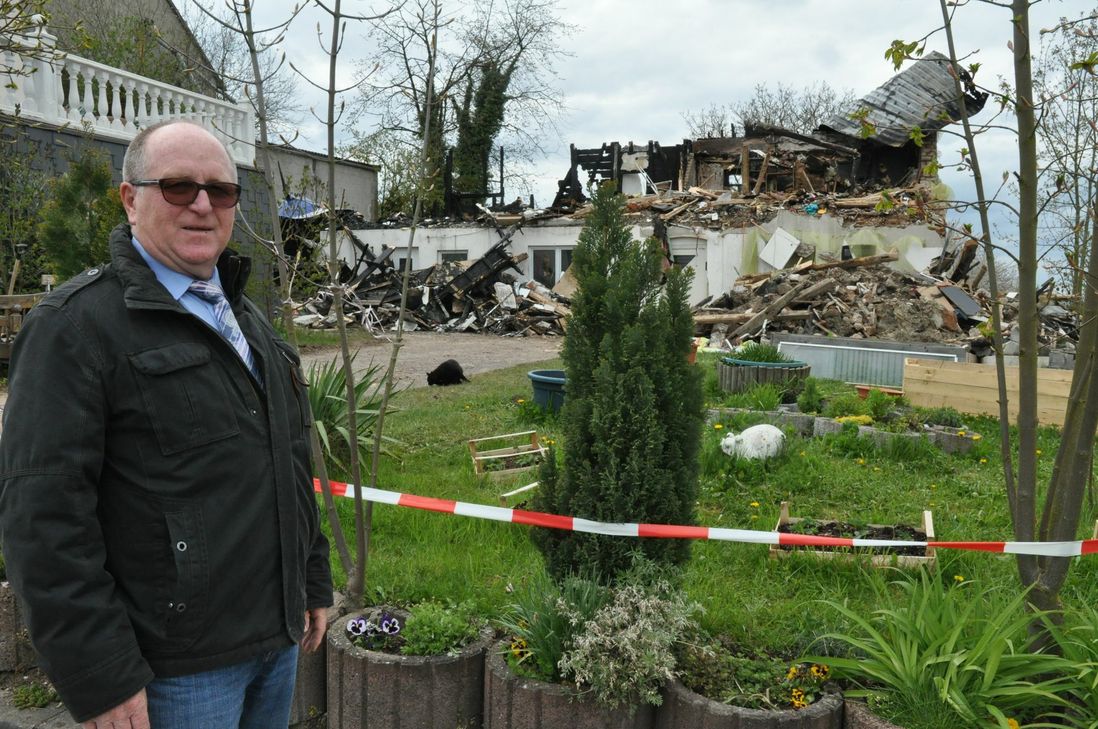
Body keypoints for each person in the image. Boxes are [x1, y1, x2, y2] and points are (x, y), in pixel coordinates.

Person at [0, 119, 333, 728]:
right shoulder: (74, 329)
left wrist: (312, 580)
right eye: (179, 187)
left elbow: (287, 461)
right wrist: (99, 672)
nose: (204, 205)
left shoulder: (247, 321)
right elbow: (43, 519)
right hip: (175, 673)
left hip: (275, 645)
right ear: (131, 199)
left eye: (222, 190)